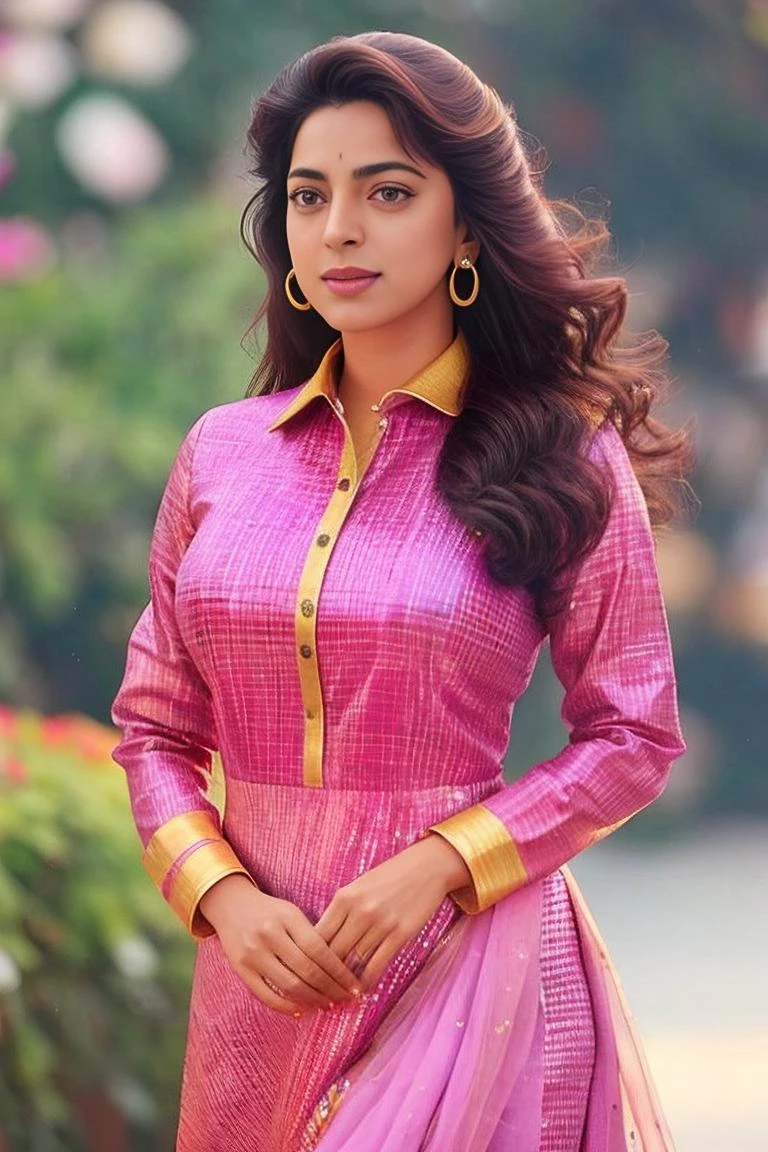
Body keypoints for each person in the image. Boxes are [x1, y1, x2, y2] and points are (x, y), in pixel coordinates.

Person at [111, 30, 694, 1152]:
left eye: (387, 191)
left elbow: (633, 733)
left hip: (466, 973)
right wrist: (226, 900)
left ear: (466, 221)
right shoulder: (221, 455)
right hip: (256, 985)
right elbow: (152, 729)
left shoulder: (559, 456)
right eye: (308, 195)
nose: (340, 228)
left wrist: (442, 864)